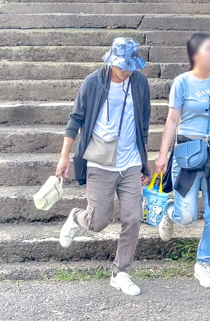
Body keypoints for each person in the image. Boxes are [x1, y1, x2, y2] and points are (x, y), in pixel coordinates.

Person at [56, 37, 152, 297]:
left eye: (132, 66)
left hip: (130, 162)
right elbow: (75, 119)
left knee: (133, 218)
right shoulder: (94, 82)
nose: (128, 71)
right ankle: (76, 217)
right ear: (111, 61)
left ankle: (120, 272)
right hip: (99, 160)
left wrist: (145, 162)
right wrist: (64, 157)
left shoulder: (140, 84)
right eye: (123, 66)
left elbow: (143, 124)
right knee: (97, 221)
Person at [155, 32, 210, 290]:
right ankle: (169, 214)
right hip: (188, 152)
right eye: (208, 49)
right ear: (194, 55)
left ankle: (204, 263)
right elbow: (171, 120)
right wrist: (161, 154)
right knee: (187, 215)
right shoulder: (181, 83)